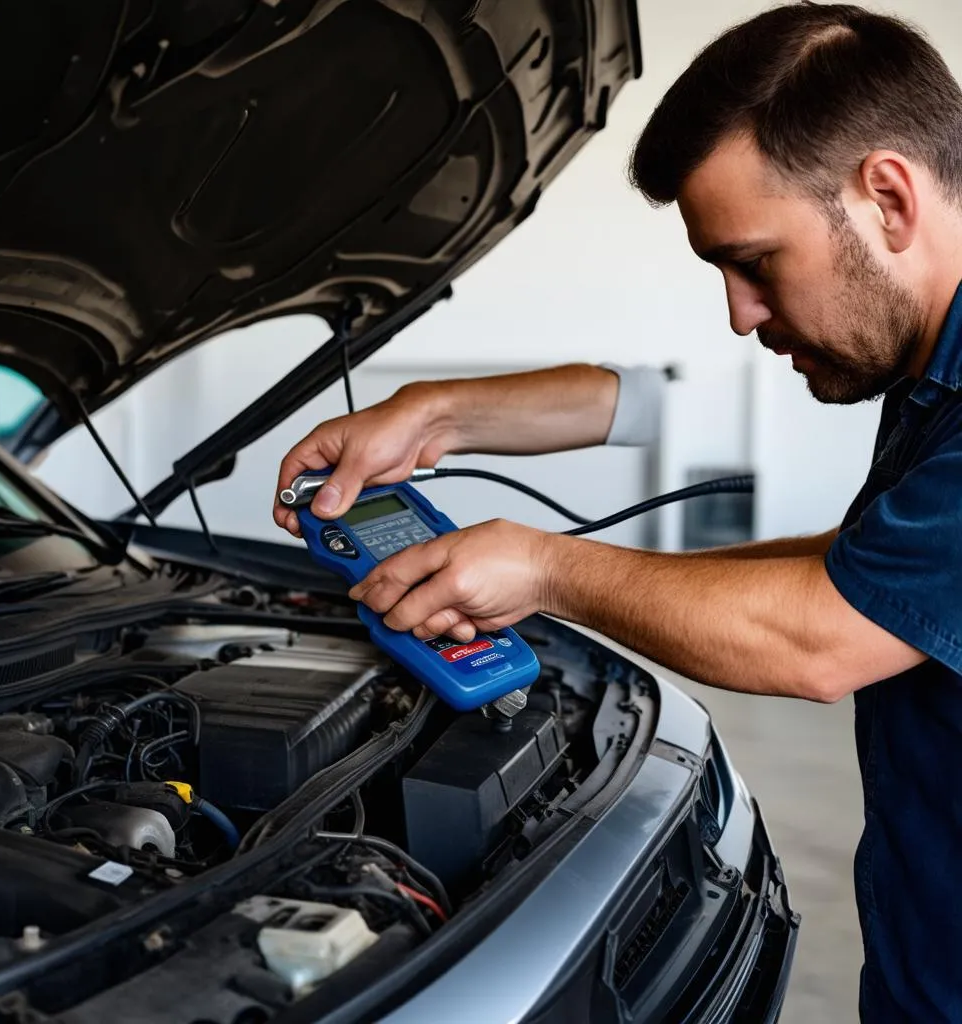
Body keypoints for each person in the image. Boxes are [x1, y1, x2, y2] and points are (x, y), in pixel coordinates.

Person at [275, 5, 962, 1020]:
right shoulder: (927, 380)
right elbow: (859, 572)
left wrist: (546, 568)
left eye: (755, 261)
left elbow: (823, 638)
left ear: (887, 199)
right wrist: (440, 417)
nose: (739, 314)